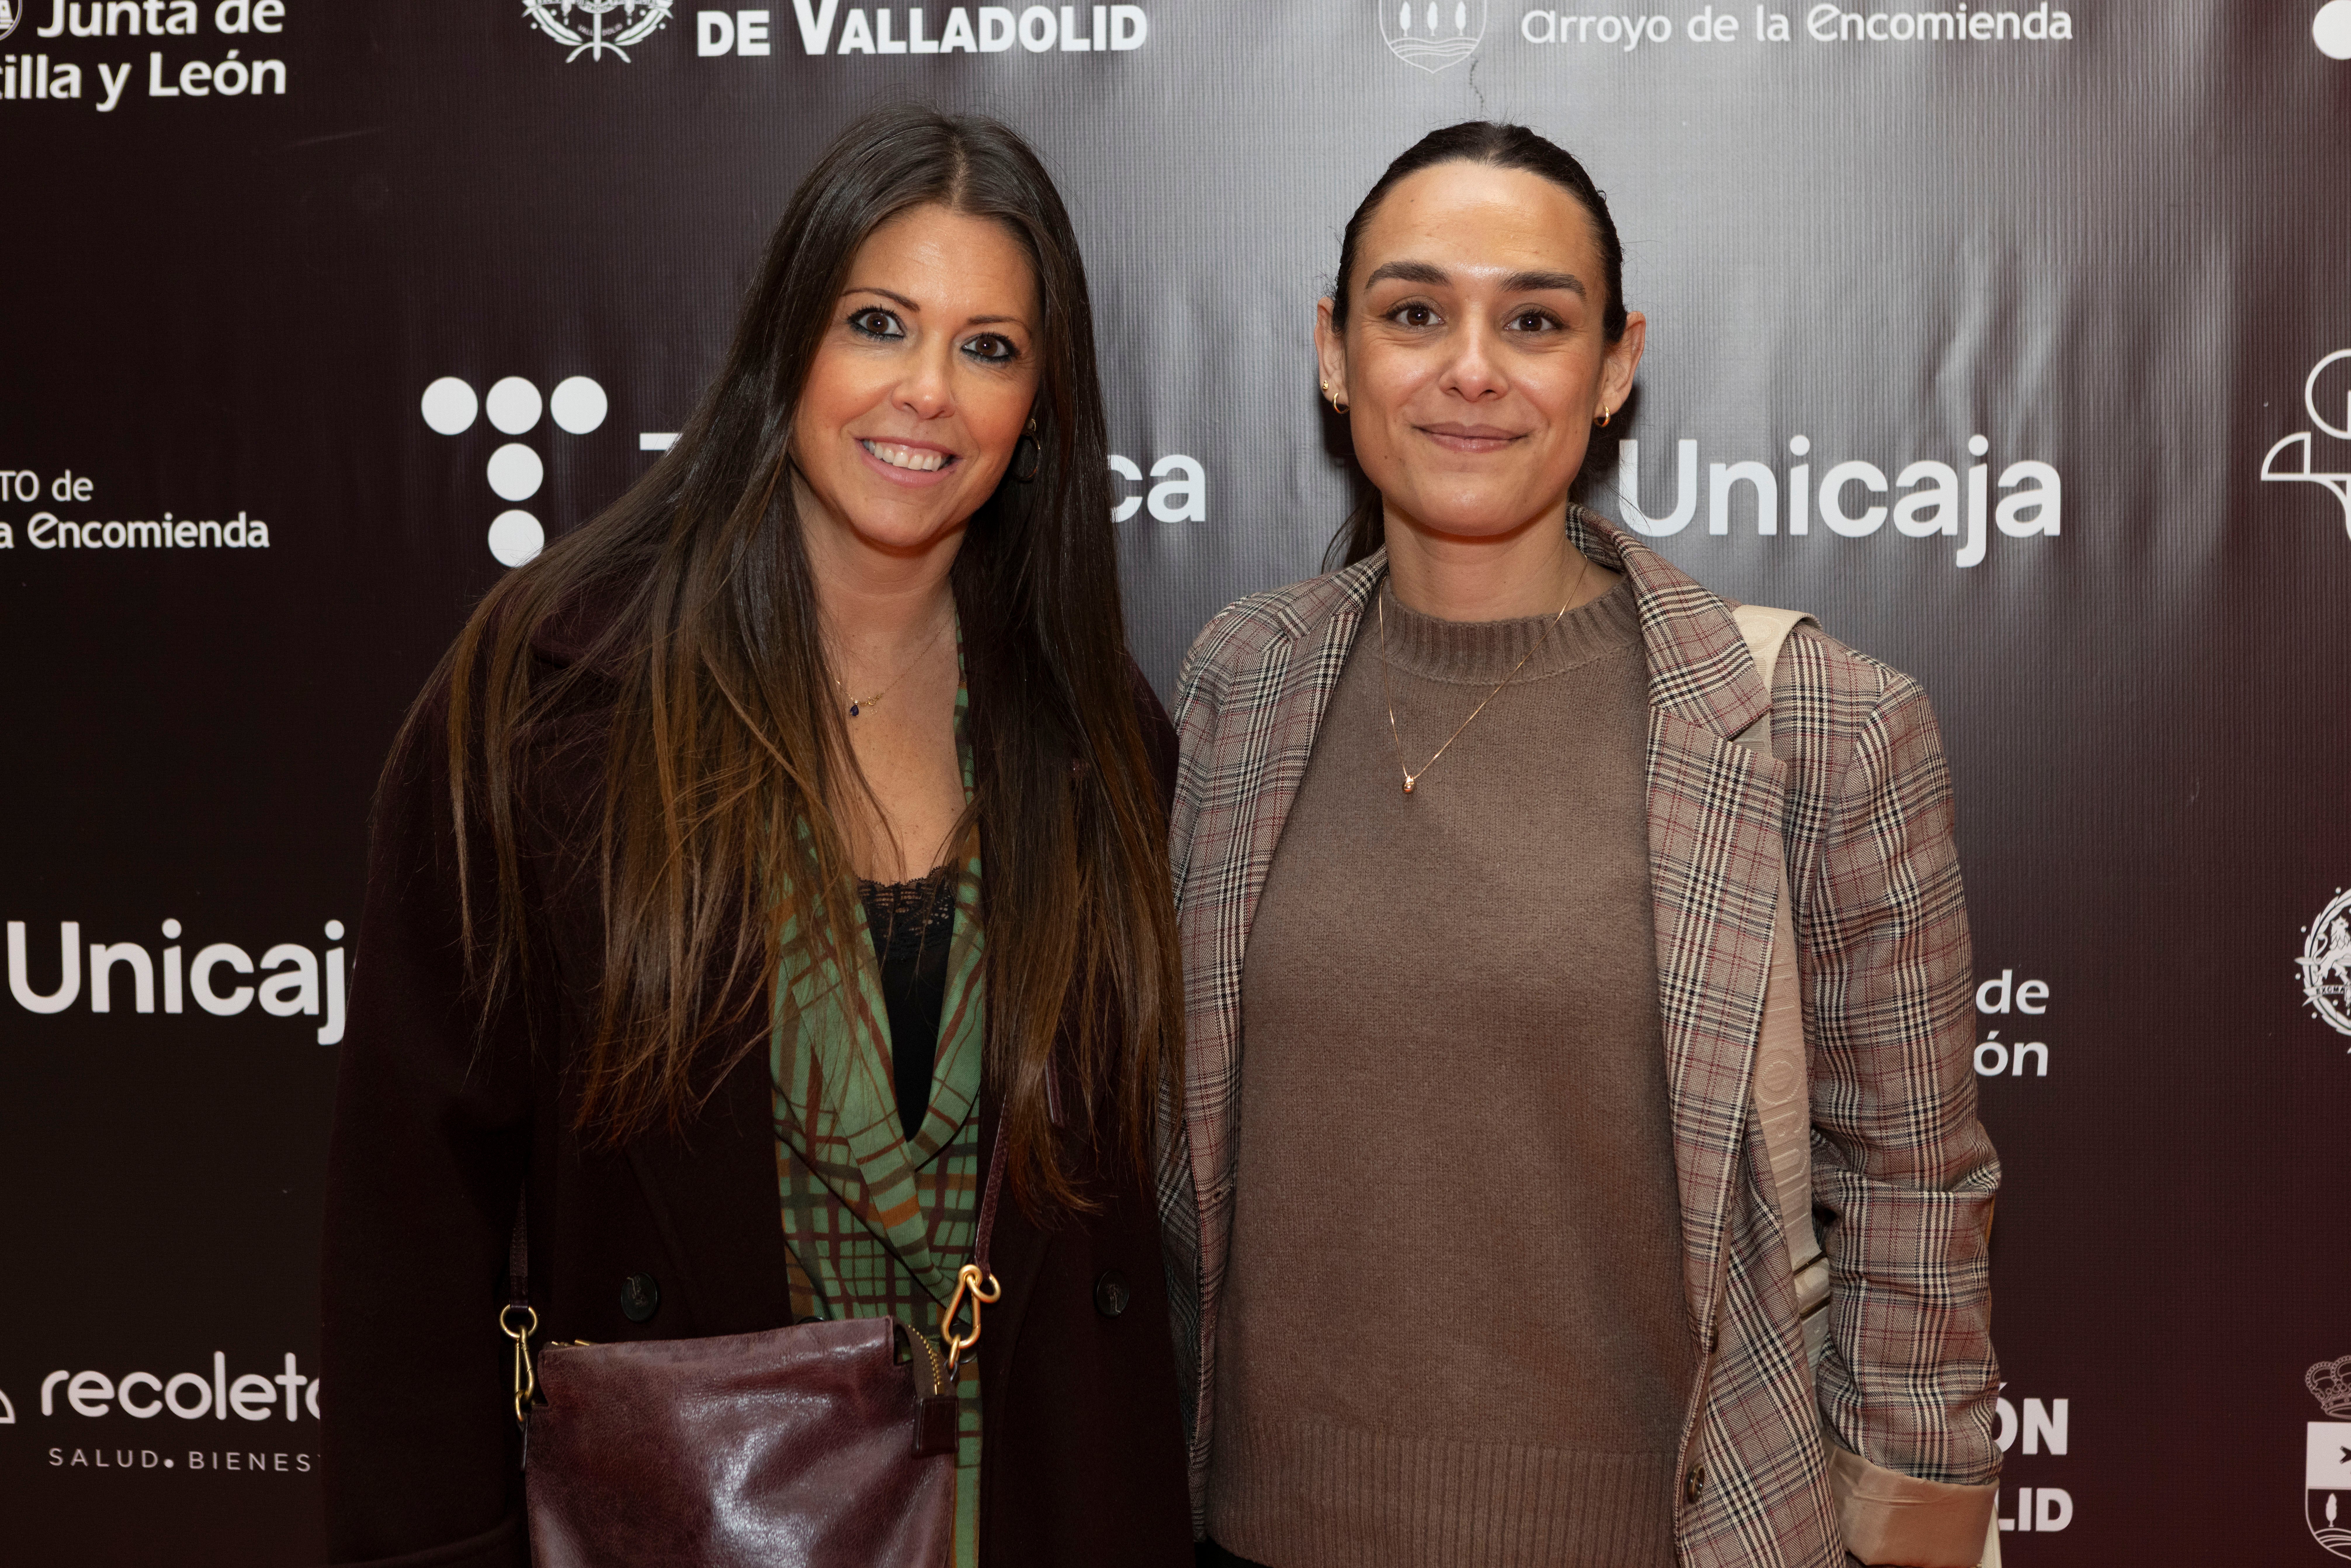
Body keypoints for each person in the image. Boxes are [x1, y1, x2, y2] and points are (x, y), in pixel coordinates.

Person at [320, 106, 1193, 1568]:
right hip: (688, 1520)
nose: (927, 391)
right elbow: (413, 1229)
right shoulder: (546, 706)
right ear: (790, 340)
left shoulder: (1102, 732)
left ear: (1039, 406)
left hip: (1028, 1513)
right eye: (879, 323)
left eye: (990, 348)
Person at [1162, 121, 2001, 1568]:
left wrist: (1914, 1529)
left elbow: (1913, 1186)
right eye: (1413, 311)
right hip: (1253, 1536)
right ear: (1333, 351)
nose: (1470, 367)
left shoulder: (1819, 726)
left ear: (1614, 368)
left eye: (1535, 320)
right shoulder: (1240, 679)